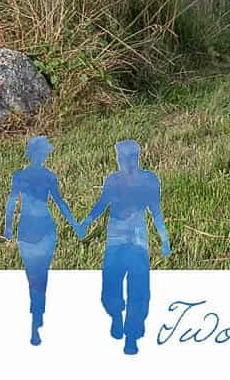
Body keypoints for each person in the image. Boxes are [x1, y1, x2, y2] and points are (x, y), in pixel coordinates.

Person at [77, 140, 170, 354]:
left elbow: (155, 211)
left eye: (131, 158)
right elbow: (102, 204)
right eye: (122, 158)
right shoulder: (113, 181)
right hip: (115, 239)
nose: (126, 163)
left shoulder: (149, 181)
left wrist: (164, 239)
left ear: (138, 157)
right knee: (111, 283)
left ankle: (131, 335)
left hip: (138, 241)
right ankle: (116, 315)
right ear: (117, 158)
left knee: (138, 288)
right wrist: (86, 222)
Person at [1, 135, 83, 346]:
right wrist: (75, 225)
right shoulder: (47, 176)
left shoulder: (22, 176)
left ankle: (35, 317)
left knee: (33, 275)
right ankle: (37, 317)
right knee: (41, 276)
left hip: (30, 226)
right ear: (40, 154)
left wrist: (8, 228)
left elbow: (12, 203)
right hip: (42, 226)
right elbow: (60, 203)